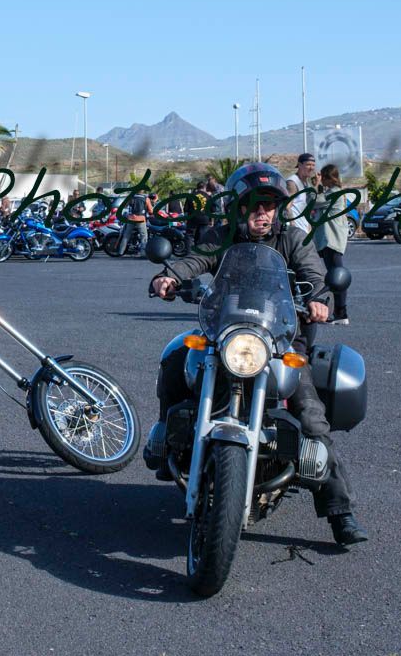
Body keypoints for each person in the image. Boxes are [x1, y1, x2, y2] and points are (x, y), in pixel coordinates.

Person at [147, 162, 368, 547]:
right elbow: (194, 260)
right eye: (253, 204)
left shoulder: (294, 240)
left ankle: (340, 512)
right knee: (176, 361)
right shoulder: (220, 237)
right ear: (237, 207)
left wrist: (318, 299)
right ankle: (168, 439)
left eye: (268, 205)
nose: (261, 213)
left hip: (280, 344)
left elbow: (315, 275)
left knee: (312, 418)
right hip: (226, 338)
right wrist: (170, 276)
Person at [314, 164, 351, 325]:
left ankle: (341, 313)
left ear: (329, 177)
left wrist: (315, 185)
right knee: (335, 275)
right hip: (332, 239)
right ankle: (339, 313)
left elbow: (315, 202)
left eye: (323, 176)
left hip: (332, 240)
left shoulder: (334, 193)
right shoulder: (335, 192)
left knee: (337, 278)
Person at [118, 190, 153, 255]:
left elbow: (124, 206)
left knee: (126, 236)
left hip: (131, 218)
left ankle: (121, 252)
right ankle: (143, 253)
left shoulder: (131, 197)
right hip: (141, 219)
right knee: (144, 237)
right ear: (143, 192)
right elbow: (151, 211)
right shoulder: (146, 199)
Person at [284, 153, 317, 221]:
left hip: (305, 227)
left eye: (313, 165)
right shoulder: (292, 182)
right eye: (308, 165)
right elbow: (287, 206)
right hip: (295, 227)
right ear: (299, 165)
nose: (311, 168)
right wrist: (292, 224)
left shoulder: (307, 184)